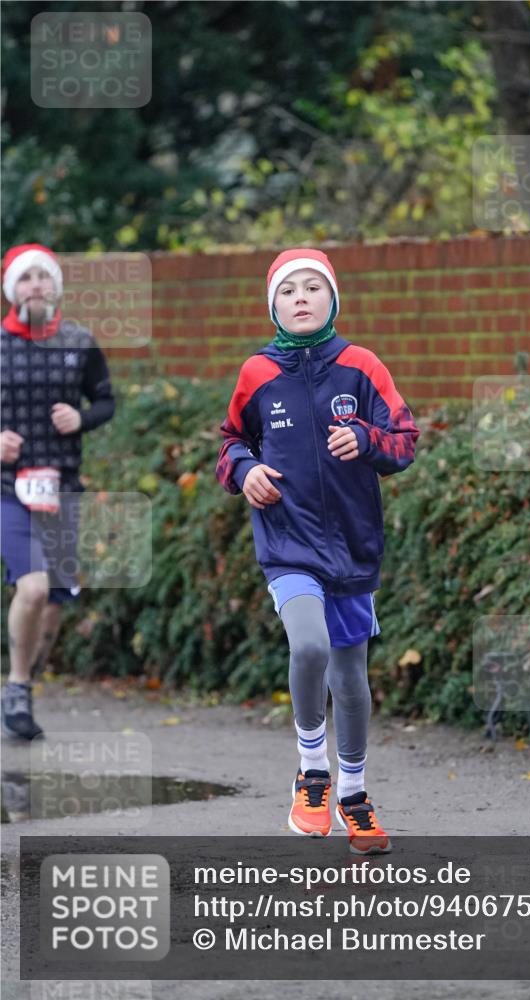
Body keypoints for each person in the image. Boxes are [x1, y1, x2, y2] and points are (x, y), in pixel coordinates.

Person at [216, 248, 420, 854]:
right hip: (288, 543)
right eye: (288, 290)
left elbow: (405, 441)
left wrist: (365, 437)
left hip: (354, 550)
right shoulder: (257, 372)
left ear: (333, 298)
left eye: (313, 287)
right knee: (309, 646)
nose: (300, 297)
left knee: (351, 677)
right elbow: (230, 443)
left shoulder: (361, 366)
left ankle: (354, 796)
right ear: (273, 305)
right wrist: (245, 469)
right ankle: (312, 774)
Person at [1, 243, 115, 740]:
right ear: (12, 290)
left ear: (55, 287)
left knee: (53, 603)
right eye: (25, 279)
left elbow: (106, 401)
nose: (35, 287)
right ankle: (18, 684)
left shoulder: (78, 340)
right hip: (8, 488)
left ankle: (23, 683)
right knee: (33, 587)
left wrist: (81, 418)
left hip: (64, 488)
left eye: (42, 278)